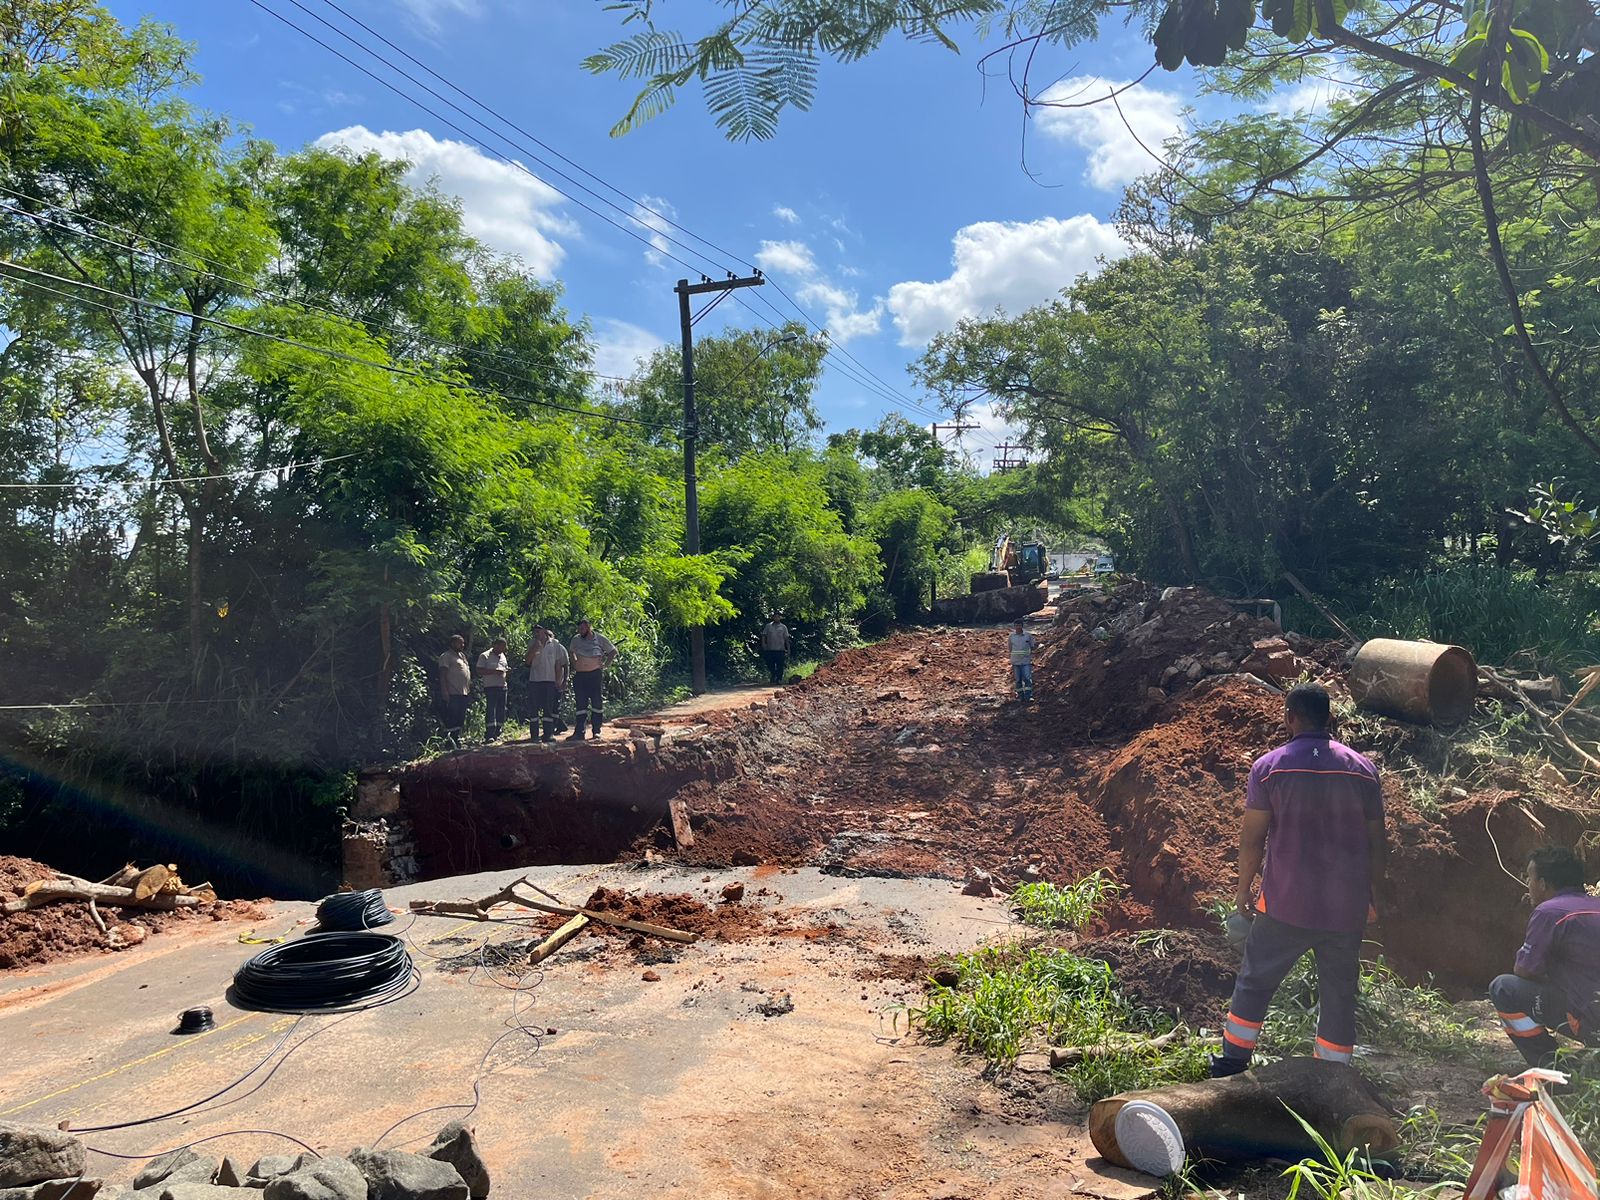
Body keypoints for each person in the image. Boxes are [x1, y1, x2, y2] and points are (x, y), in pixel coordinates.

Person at [1213, 682, 1387, 1076]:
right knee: (1339, 994)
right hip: (1345, 908)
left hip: (1285, 902)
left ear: (1289, 717)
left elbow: (1252, 838)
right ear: (1330, 718)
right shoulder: (1362, 770)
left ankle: (1231, 1065)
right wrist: (1376, 895)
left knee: (1255, 982)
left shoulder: (1270, 767)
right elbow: (1378, 842)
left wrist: (1243, 889)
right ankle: (1331, 1078)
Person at [1489, 846, 1600, 1067]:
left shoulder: (1549, 912)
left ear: (1542, 883)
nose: (1528, 886)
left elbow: (1525, 970)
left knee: (1503, 987)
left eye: (1529, 878)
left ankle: (1553, 1067)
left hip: (1591, 1021)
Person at [567, 618, 617, 741]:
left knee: (596, 703)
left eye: (583, 628)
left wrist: (605, 664)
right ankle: (579, 733)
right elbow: (571, 652)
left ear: (589, 627)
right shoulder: (576, 639)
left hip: (594, 675)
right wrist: (574, 663)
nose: (580, 631)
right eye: (579, 629)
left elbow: (613, 651)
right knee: (581, 704)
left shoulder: (599, 638)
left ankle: (596, 731)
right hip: (580, 676)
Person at [525, 624, 569, 743]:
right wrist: (534, 649)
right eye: (535, 632)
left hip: (549, 681)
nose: (536, 634)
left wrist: (560, 680)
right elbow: (527, 661)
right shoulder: (532, 643)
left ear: (544, 631)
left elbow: (559, 663)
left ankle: (548, 734)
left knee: (548, 709)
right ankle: (534, 735)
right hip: (535, 680)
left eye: (538, 631)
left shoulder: (555, 644)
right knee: (534, 709)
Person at [436, 634, 472, 746]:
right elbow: (443, 674)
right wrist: (444, 691)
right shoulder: (446, 656)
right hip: (452, 692)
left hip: (463, 692)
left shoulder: (462, 656)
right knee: (452, 716)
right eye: (460, 642)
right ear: (452, 643)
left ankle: (457, 738)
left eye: (463, 643)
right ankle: (449, 741)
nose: (462, 645)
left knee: (461, 717)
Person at [475, 636, 510, 741]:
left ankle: (498, 731)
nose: (503, 650)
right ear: (495, 645)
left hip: (502, 686)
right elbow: (479, 670)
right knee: (491, 709)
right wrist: (494, 672)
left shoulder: (503, 656)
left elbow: (504, 668)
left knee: (501, 709)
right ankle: (489, 733)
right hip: (491, 687)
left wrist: (507, 671)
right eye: (502, 647)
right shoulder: (485, 656)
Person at [1008, 619, 1039, 702]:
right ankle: (1020, 696)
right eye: (1016, 626)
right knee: (1018, 680)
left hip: (1026, 661)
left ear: (1022, 626)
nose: (1018, 627)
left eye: (1019, 625)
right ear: (1014, 626)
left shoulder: (1028, 636)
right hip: (1015, 661)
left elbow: (1032, 646)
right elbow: (1010, 649)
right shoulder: (1011, 637)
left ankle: (1029, 696)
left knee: (1027, 678)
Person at [759, 612, 792, 685]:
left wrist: (788, 649)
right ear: (772, 617)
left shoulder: (783, 627)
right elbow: (764, 635)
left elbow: (786, 639)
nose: (776, 618)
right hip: (770, 649)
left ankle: (779, 679)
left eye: (778, 617)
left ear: (780, 618)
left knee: (780, 665)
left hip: (780, 649)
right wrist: (764, 644)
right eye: (775, 617)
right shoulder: (768, 626)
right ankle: (773, 675)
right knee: (770, 664)